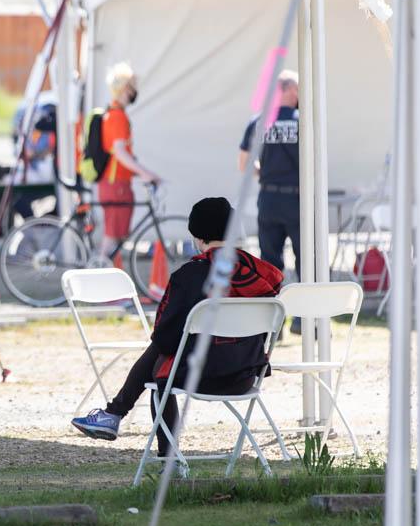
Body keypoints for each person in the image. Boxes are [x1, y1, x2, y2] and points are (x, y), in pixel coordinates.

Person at [71, 197, 283, 461]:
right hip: (246, 374)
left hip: (200, 375)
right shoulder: (265, 275)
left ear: (197, 235)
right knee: (166, 356)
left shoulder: (190, 276)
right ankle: (113, 414)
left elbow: (166, 337)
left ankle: (160, 453)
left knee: (161, 366)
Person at [239, 70, 301, 283]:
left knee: (269, 264)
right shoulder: (304, 121)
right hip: (297, 200)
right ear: (291, 90)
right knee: (306, 261)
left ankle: (274, 314)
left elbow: (243, 164)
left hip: (268, 199)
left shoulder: (259, 121)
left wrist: (263, 171)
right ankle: (304, 315)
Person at [98, 63, 161, 258]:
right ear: (125, 88)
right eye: (133, 84)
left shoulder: (114, 114)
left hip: (116, 183)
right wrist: (145, 173)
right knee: (111, 237)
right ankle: (96, 273)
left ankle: (101, 271)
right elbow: (119, 153)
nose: (136, 89)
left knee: (114, 237)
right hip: (116, 185)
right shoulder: (117, 117)